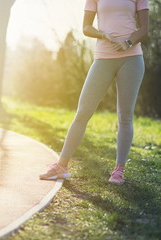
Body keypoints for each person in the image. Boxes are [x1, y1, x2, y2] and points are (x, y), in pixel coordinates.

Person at [39, 0, 149, 184]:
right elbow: (86, 27)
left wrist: (128, 42)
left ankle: (118, 170)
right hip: (103, 58)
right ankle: (61, 166)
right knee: (83, 112)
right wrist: (103, 34)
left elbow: (144, 30)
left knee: (125, 116)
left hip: (131, 58)